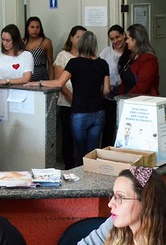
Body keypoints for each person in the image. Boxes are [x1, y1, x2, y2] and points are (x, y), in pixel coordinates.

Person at [25, 31, 110, 166]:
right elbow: (106, 90)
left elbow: (59, 83)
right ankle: (92, 180)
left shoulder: (74, 63)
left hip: (80, 112)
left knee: (80, 152)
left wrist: (38, 82)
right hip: (98, 112)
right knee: (93, 151)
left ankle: (80, 180)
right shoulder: (103, 64)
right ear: (94, 45)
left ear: (81, 44)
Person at [53, 25, 87, 169]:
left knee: (81, 138)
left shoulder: (88, 56)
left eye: (83, 37)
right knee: (67, 137)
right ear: (71, 38)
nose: (80, 40)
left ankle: (81, 166)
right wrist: (72, 98)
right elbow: (59, 81)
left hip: (84, 105)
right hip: (67, 103)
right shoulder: (63, 56)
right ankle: (68, 166)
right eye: (78, 36)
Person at [100, 25, 126, 147]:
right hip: (108, 94)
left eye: (118, 37)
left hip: (125, 94)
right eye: (112, 39)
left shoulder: (130, 51)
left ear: (124, 35)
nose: (116, 41)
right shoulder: (106, 52)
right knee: (108, 127)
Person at [118, 24, 160, 96]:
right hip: (127, 101)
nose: (126, 42)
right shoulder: (132, 57)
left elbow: (142, 87)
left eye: (127, 38)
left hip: (141, 103)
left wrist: (126, 99)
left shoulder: (149, 59)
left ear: (135, 40)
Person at [23, 16, 54, 81]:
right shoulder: (22, 42)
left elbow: (50, 63)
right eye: (32, 27)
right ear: (27, 29)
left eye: (37, 27)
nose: (35, 30)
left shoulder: (46, 42)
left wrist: (51, 81)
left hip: (41, 77)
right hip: (25, 77)